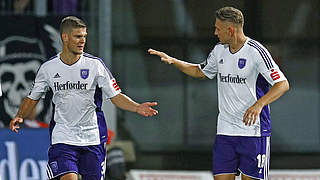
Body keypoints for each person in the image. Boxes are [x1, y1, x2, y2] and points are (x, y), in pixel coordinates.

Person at [148, 6, 289, 180]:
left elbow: (282, 84)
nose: (215, 32)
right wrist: (173, 61)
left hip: (253, 132)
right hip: (225, 131)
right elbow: (200, 71)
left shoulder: (256, 52)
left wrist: (259, 105)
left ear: (231, 30)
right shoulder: (219, 50)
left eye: (218, 29)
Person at [10, 16, 158, 180]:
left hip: (92, 138)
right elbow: (33, 98)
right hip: (63, 137)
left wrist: (137, 107)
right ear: (65, 37)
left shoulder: (95, 65)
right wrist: (20, 115)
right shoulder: (48, 68)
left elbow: (116, 96)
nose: (82, 41)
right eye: (78, 36)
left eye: (84, 36)